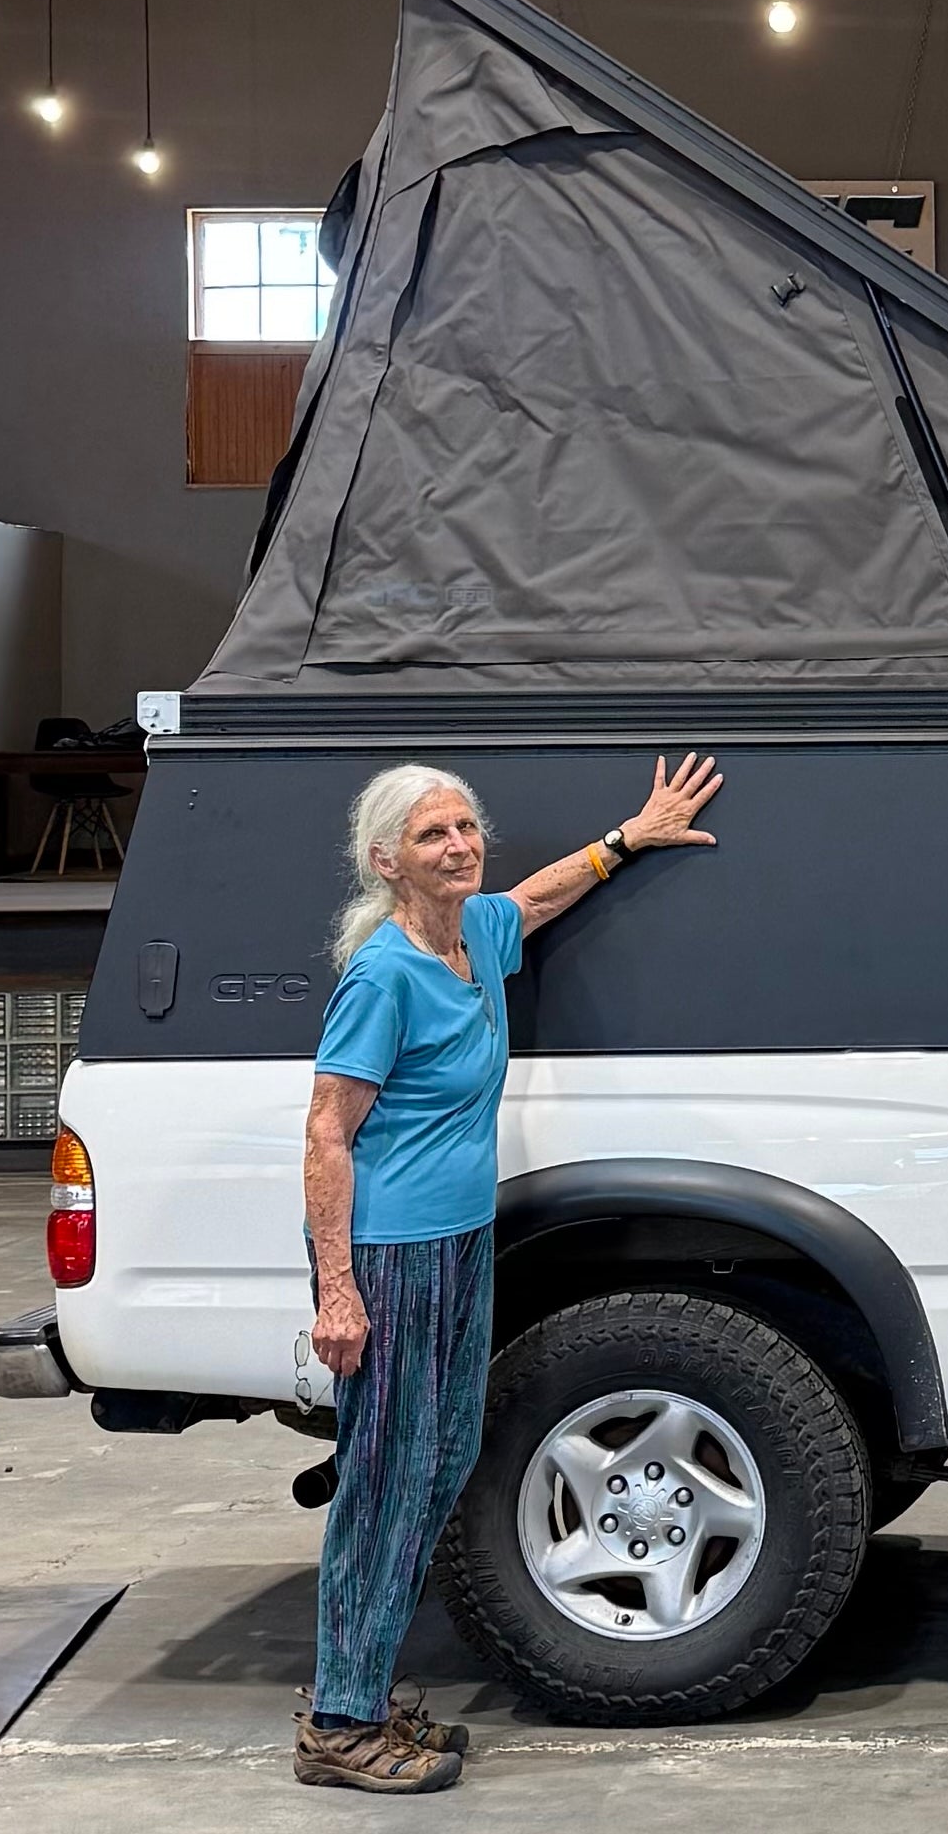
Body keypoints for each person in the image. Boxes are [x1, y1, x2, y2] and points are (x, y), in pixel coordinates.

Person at [292, 753, 723, 1794]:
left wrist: (629, 836)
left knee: (439, 1460)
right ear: (385, 859)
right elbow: (326, 1133)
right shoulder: (384, 975)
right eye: (432, 834)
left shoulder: (475, 933)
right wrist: (337, 1290)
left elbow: (536, 897)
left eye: (465, 827)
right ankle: (339, 1721)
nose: (459, 846)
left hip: (462, 1239)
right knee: (385, 1482)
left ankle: (362, 1690)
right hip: (392, 1256)